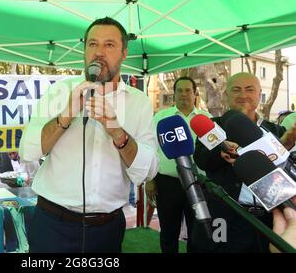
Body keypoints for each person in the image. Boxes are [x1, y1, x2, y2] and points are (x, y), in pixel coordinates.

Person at [20, 17, 158, 253]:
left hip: (107, 229)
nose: (99, 52)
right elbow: (28, 151)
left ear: (124, 53)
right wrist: (66, 116)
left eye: (109, 45)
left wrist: (118, 133)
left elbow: (147, 171)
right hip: (52, 224)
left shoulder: (139, 102)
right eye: (92, 44)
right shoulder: (59, 92)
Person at [193, 72, 296, 252]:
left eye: (249, 90)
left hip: (267, 219)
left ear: (258, 95)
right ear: (227, 95)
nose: (243, 95)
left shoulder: (276, 130)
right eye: (236, 90)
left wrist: (286, 145)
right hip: (223, 215)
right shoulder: (212, 126)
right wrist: (221, 149)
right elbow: (201, 159)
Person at [146, 76, 212, 253]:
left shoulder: (206, 119)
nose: (184, 94)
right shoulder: (161, 118)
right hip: (167, 184)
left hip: (198, 185)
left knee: (197, 232)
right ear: (173, 94)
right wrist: (149, 180)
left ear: (195, 93)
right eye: (179, 90)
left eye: (187, 90)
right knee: (168, 231)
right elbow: (150, 150)